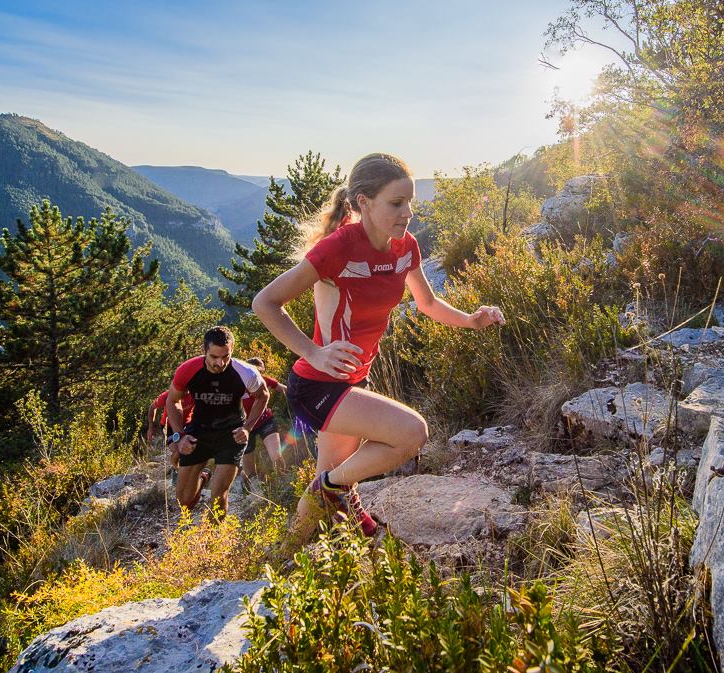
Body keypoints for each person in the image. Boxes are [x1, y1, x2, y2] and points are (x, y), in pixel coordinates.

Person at [252, 152, 504, 538]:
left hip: (354, 382)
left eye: (410, 203)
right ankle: (339, 493)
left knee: (328, 481)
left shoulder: (406, 248)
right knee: (411, 433)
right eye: (396, 203)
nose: (407, 213)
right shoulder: (337, 248)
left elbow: (428, 303)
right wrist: (314, 352)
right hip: (319, 384)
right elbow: (265, 303)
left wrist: (471, 319)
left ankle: (287, 552)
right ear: (364, 203)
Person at [165, 326, 268, 519]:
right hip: (199, 431)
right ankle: (203, 476)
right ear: (204, 351)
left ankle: (214, 542)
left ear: (232, 351)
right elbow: (172, 401)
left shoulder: (247, 372)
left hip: (232, 434)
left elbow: (263, 396)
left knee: (219, 495)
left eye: (226, 357)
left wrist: (247, 428)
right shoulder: (188, 370)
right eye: (214, 357)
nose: (220, 363)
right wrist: (180, 436)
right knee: (184, 501)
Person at [240, 357, 287, 480]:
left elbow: (284, 389)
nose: (258, 375)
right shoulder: (238, 385)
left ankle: (281, 483)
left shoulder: (264, 380)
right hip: (245, 427)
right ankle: (251, 491)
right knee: (249, 470)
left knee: (276, 456)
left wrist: (301, 395)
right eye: (255, 372)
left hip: (265, 421)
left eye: (261, 372)